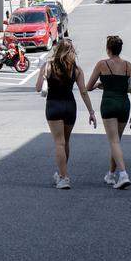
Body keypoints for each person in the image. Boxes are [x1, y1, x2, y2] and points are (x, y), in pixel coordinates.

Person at [35, 38, 96, 190]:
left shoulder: (48, 66)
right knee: (65, 142)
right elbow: (83, 91)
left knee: (59, 143)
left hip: (53, 106)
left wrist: (43, 75)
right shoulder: (76, 69)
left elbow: (38, 88)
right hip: (70, 106)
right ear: (71, 52)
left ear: (57, 49)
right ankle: (62, 174)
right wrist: (91, 112)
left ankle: (63, 178)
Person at [86, 35, 131, 190]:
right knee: (117, 142)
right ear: (120, 49)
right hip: (124, 105)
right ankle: (111, 174)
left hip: (109, 104)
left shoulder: (102, 64)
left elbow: (88, 86)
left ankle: (123, 175)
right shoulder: (128, 66)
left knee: (113, 142)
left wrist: (100, 84)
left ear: (108, 49)